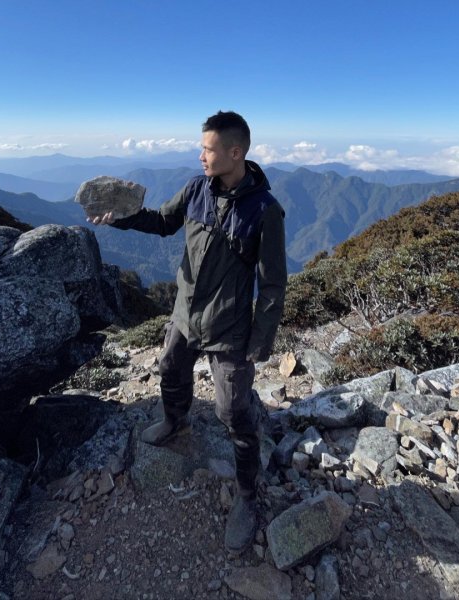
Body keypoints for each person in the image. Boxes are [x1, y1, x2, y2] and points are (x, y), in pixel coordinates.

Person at [89, 110, 287, 554]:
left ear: (234, 153)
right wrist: (119, 216)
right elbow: (162, 221)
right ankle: (174, 421)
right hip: (184, 314)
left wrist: (261, 339)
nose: (200, 156)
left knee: (233, 411)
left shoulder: (264, 211)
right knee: (170, 368)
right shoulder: (197, 189)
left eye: (208, 149)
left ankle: (247, 495)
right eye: (201, 147)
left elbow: (273, 281)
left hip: (230, 327)